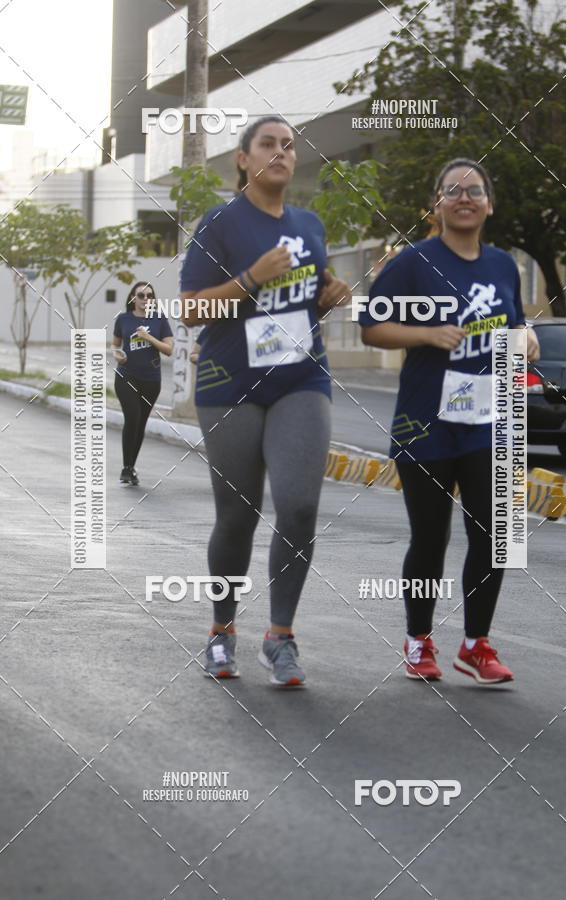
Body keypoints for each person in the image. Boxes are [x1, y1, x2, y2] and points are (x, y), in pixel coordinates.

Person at [180, 115, 349, 687]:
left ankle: (280, 638)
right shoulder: (221, 223)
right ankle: (222, 631)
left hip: (301, 377)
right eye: (268, 144)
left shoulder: (310, 224)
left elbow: (303, 305)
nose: (281, 152)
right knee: (239, 514)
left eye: (289, 145)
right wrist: (251, 276)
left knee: (299, 506)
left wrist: (328, 298)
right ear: (244, 160)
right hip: (229, 380)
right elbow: (193, 309)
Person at [360, 158, 540, 685]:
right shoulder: (414, 262)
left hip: (491, 420)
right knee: (430, 538)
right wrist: (426, 334)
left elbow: (515, 320)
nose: (465, 198)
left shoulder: (503, 264)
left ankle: (475, 644)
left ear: (489, 203)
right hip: (427, 422)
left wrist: (527, 336)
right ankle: (418, 640)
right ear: (436, 204)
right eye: (453, 191)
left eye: (475, 191)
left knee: (495, 534)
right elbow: (372, 325)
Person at [111, 281, 174, 485]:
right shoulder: (123, 319)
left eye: (149, 296)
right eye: (141, 295)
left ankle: (130, 467)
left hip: (151, 379)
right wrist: (117, 355)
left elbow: (168, 349)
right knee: (133, 418)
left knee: (140, 424)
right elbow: (115, 345)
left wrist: (148, 337)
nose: (145, 299)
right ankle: (126, 468)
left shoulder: (159, 320)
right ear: (132, 298)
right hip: (126, 375)